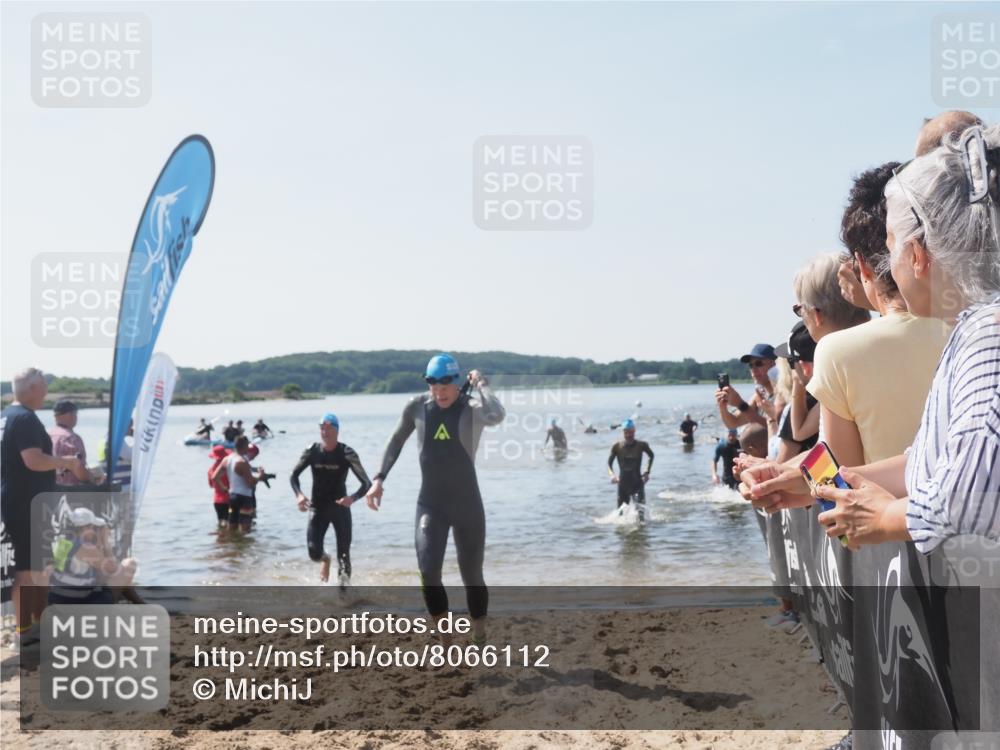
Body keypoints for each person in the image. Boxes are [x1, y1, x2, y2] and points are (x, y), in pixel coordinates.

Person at [742, 123, 1000, 553]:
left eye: (892, 244)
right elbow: (926, 465)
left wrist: (885, 516)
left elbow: (975, 495)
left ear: (917, 255)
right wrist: (806, 483)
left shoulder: (986, 333)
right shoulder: (968, 328)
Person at [809, 164, 952, 466]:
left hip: (890, 511)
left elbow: (843, 482)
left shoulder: (837, 352)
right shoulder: (973, 324)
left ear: (861, 265)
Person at [365, 354, 505, 644]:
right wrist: (378, 478)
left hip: (467, 504)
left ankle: (479, 633)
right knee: (428, 571)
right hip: (431, 503)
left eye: (446, 387)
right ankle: (444, 636)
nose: (439, 393)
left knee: (472, 576)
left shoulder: (472, 408)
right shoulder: (417, 407)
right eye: (434, 386)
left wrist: (481, 383)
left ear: (457, 383)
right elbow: (395, 441)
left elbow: (497, 414)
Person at [1, 368, 88, 646]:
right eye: (44, 387)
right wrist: (67, 462)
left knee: (38, 566)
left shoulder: (6, 415)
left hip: (18, 500)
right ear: (32, 388)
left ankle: (39, 624)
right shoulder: (24, 418)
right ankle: (25, 631)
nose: (47, 393)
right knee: (27, 570)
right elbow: (33, 460)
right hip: (24, 504)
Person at [291, 413, 372, 588]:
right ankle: (325, 559)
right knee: (313, 552)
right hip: (318, 508)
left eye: (328, 428)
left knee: (344, 555)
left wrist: (353, 498)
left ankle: (343, 596)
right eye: (322, 428)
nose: (324, 432)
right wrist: (299, 494)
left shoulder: (347, 453)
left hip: (340, 509)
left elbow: (366, 483)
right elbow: (294, 475)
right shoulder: (312, 451)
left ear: (337, 430)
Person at [48, 507, 136, 605]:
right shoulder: (86, 548)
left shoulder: (63, 542)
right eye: (94, 528)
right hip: (77, 602)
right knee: (129, 564)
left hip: (58, 599)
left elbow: (100, 574)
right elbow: (113, 569)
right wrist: (105, 542)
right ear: (85, 528)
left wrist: (98, 544)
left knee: (104, 577)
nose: (95, 532)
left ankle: (138, 602)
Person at [716, 344, 782, 441]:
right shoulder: (758, 395)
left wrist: (740, 404)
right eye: (751, 365)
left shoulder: (783, 394)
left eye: (759, 363)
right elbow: (733, 422)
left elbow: (781, 430)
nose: (754, 370)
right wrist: (722, 407)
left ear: (774, 365)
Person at [774, 322, 820, 460]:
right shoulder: (840, 386)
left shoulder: (813, 400)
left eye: (791, 361)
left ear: (803, 365)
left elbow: (798, 433)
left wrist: (798, 383)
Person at [212, 435, 267, 533]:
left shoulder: (227, 459)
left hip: (232, 497)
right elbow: (250, 483)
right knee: (245, 531)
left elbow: (215, 477)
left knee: (232, 527)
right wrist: (260, 477)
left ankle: (232, 547)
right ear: (245, 446)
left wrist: (225, 489)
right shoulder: (242, 462)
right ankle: (241, 547)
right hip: (244, 498)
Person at [607, 419, 654, 509]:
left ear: (634, 431)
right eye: (626, 432)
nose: (629, 435)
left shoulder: (641, 445)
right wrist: (612, 475)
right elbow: (609, 463)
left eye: (631, 432)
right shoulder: (617, 447)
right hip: (623, 485)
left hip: (637, 484)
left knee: (641, 515)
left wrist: (647, 471)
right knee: (621, 515)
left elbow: (651, 456)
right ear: (623, 432)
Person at [48, 400, 90, 486]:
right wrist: (92, 478)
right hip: (71, 493)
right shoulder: (72, 438)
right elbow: (79, 471)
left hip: (50, 491)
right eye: (75, 414)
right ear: (71, 415)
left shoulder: (47, 435)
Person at [208, 445, 231, 528]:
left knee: (221, 522)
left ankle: (220, 539)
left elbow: (211, 485)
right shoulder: (228, 468)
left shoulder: (211, 470)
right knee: (230, 522)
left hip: (217, 501)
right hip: (228, 499)